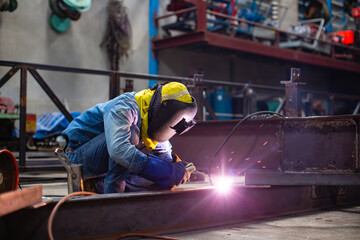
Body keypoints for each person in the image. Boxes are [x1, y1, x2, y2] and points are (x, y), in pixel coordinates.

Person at [62, 82, 197, 194]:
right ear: (162, 109)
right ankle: (113, 196)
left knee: (162, 171)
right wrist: (165, 171)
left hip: (105, 156)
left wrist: (173, 168)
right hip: (77, 156)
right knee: (130, 138)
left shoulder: (152, 114)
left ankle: (97, 186)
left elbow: (163, 152)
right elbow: (119, 150)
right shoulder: (125, 108)